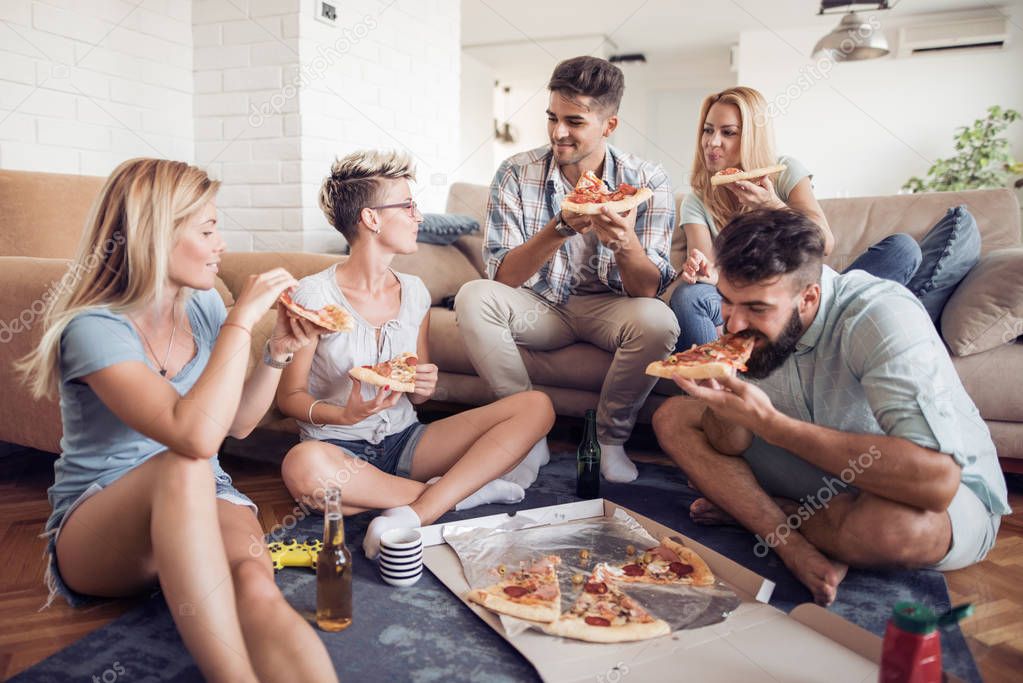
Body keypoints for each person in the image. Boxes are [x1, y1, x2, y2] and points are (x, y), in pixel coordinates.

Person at [17, 159, 337, 682]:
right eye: (207, 229)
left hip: (204, 496)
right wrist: (241, 321)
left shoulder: (204, 304)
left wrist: (276, 353)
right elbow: (192, 434)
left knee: (257, 586)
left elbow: (235, 425)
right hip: (103, 524)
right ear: (154, 235)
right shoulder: (93, 328)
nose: (222, 244)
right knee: (186, 461)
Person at [652, 208, 1010, 606]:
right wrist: (723, 400)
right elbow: (728, 444)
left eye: (756, 308)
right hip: (820, 470)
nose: (733, 324)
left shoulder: (879, 315)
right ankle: (791, 539)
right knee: (672, 417)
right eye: (726, 301)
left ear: (809, 296)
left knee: (896, 529)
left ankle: (764, 513)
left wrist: (771, 427)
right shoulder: (749, 325)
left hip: (934, 490)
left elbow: (936, 484)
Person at [276, 150, 556, 560]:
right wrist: (345, 416)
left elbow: (418, 395)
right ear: (371, 219)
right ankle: (462, 493)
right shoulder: (313, 296)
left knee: (537, 407)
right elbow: (289, 398)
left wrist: (425, 385)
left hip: (408, 441)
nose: (418, 216)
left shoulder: (416, 291)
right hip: (337, 447)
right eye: (407, 205)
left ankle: (415, 508)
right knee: (301, 466)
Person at [455, 55, 679, 484]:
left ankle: (611, 440)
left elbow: (647, 291)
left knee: (659, 321)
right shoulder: (516, 173)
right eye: (552, 117)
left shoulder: (648, 179)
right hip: (542, 307)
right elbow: (502, 277)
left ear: (609, 125)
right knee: (472, 296)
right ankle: (528, 431)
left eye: (575, 122)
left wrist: (625, 243)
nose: (559, 132)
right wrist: (557, 228)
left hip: (610, 309)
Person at [671, 86, 923, 351]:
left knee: (902, 249)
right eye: (708, 130)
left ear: (752, 137)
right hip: (756, 306)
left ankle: (825, 332)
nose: (712, 142)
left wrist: (773, 206)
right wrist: (706, 272)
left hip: (807, 299)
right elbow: (709, 273)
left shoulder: (786, 172)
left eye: (728, 132)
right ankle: (723, 381)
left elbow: (824, 242)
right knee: (690, 296)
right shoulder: (697, 202)